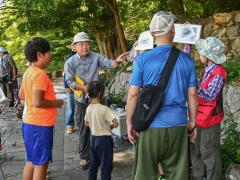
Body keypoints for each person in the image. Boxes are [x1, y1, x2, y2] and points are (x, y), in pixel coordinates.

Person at [126, 11, 198, 180]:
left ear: (151, 34)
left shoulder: (143, 59)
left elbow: (133, 95)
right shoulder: (187, 60)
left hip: (150, 126)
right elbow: (193, 94)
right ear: (173, 30)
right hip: (178, 126)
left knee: (144, 174)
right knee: (178, 174)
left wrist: (129, 122)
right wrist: (192, 121)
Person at [64, 32, 129, 170]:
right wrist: (84, 88)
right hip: (81, 100)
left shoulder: (95, 56)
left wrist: (118, 60)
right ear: (75, 47)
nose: (85, 46)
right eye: (81, 44)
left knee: (103, 126)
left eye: (87, 43)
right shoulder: (70, 62)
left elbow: (110, 64)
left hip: (98, 99)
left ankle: (103, 155)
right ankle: (84, 157)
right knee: (84, 127)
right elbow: (69, 81)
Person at [19, 37, 63, 180]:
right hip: (40, 125)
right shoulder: (39, 74)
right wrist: (56, 102)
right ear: (40, 54)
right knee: (41, 164)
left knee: (32, 160)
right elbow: (38, 102)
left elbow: (22, 94)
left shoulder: (28, 72)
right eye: (48, 52)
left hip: (30, 123)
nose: (50, 55)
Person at [194, 37, 227, 180]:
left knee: (210, 154)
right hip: (202, 118)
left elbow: (210, 95)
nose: (199, 55)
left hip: (210, 120)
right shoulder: (208, 70)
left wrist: (194, 84)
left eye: (201, 52)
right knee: (199, 152)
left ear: (208, 56)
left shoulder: (218, 73)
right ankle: (200, 177)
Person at [84, 81, 119, 179]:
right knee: (106, 167)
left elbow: (86, 123)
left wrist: (96, 125)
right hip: (105, 141)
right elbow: (116, 123)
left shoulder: (88, 108)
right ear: (100, 94)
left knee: (93, 167)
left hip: (94, 139)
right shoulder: (104, 109)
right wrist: (109, 127)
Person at [64, 46, 77, 134]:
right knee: (70, 106)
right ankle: (70, 125)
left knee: (84, 105)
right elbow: (66, 73)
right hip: (71, 84)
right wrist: (67, 86)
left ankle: (84, 123)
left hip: (83, 84)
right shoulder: (69, 57)